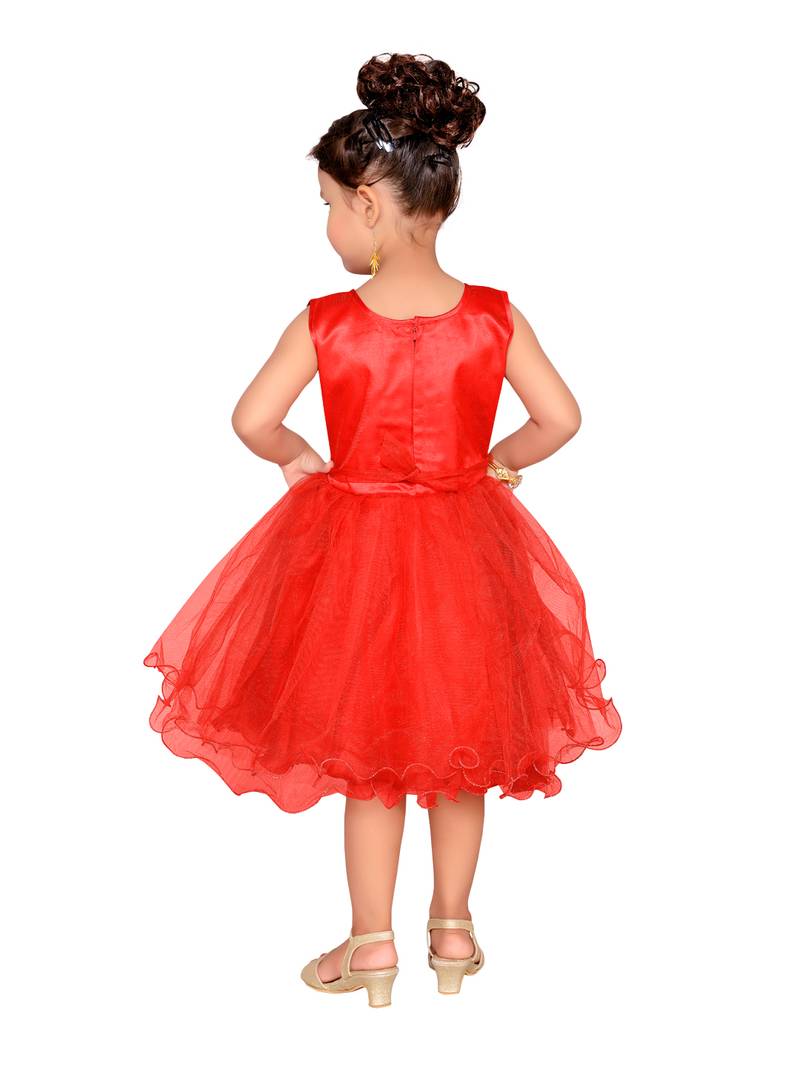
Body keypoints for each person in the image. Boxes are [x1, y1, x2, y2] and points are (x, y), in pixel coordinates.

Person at [143, 52, 622, 1007]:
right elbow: (562, 417)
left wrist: (296, 456)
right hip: (468, 550)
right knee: (463, 747)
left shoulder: (327, 322)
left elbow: (251, 419)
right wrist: (498, 462)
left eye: (327, 204)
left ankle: (370, 946)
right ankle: (453, 928)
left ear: (367, 205)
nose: (326, 222)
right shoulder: (493, 317)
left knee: (370, 762)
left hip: (352, 553)